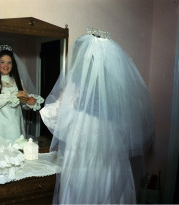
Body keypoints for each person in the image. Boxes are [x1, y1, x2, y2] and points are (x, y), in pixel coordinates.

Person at [40, 33, 155, 204]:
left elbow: (54, 116)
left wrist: (51, 107)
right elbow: (130, 123)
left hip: (82, 159)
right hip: (111, 159)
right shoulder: (116, 88)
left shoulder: (75, 86)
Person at [0, 46, 44, 143]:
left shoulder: (18, 81)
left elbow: (23, 103)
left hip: (15, 124)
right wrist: (11, 96)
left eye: (9, 62)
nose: (6, 65)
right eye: (2, 62)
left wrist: (29, 101)